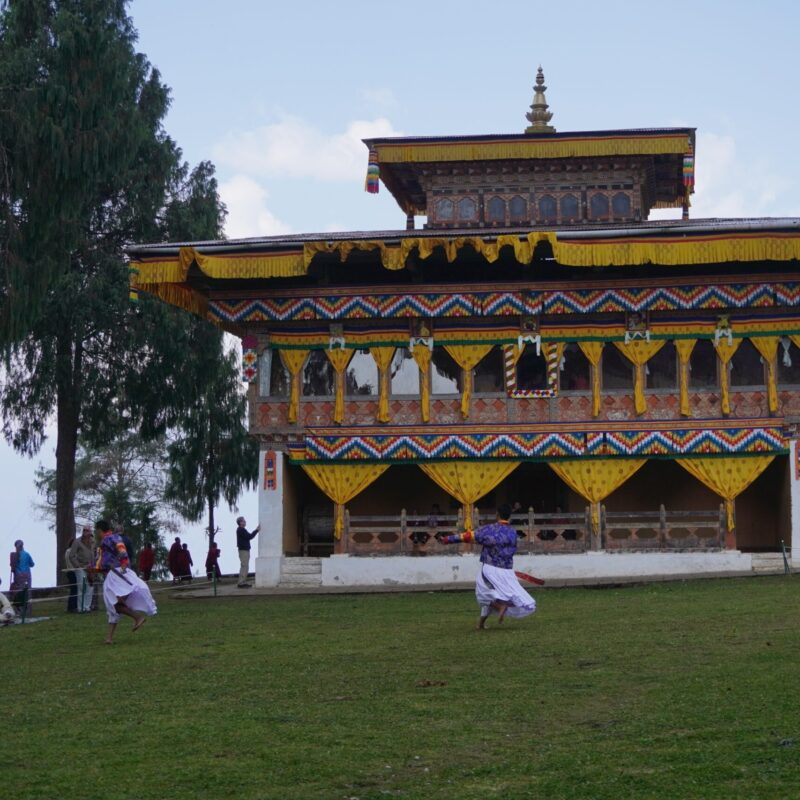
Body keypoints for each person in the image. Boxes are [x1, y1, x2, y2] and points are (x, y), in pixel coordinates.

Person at [437, 503, 536, 630]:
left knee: (482, 594)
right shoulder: (513, 532)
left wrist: (446, 540)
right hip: (506, 571)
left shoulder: (490, 529)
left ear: (497, 514)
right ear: (509, 516)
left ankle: (500, 607)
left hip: (491, 568)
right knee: (493, 595)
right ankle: (481, 624)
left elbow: (468, 536)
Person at [94, 519, 157, 644]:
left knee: (114, 604)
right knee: (115, 605)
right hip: (118, 572)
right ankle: (109, 638)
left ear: (99, 530)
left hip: (116, 574)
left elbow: (117, 553)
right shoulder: (112, 538)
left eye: (96, 531)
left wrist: (93, 567)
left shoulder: (108, 539)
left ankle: (137, 617)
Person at [70, 527, 96, 613]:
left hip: (91, 568)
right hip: (81, 567)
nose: (86, 532)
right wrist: (77, 566)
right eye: (85, 530)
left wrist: (94, 565)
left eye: (88, 531)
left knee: (90, 587)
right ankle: (80, 608)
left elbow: (94, 554)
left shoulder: (93, 542)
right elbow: (71, 555)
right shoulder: (77, 542)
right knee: (82, 587)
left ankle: (87, 607)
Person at [10, 539, 34, 618]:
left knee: (18, 593)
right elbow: (32, 564)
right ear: (23, 545)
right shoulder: (27, 554)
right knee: (28, 592)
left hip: (18, 576)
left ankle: (18, 611)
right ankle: (27, 611)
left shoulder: (13, 555)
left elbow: (12, 566)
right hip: (27, 575)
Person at [236, 516, 259, 588]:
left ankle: (243, 582)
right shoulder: (241, 530)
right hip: (243, 550)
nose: (245, 522)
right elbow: (249, 536)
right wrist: (256, 530)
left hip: (245, 550)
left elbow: (249, 536)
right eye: (243, 521)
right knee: (244, 566)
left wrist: (256, 530)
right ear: (240, 522)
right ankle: (241, 583)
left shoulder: (242, 529)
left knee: (245, 566)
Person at [64, 536, 78, 613]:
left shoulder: (67, 551)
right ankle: (73, 607)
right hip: (73, 571)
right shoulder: (71, 552)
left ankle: (71, 606)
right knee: (74, 590)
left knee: (73, 590)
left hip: (69, 571)